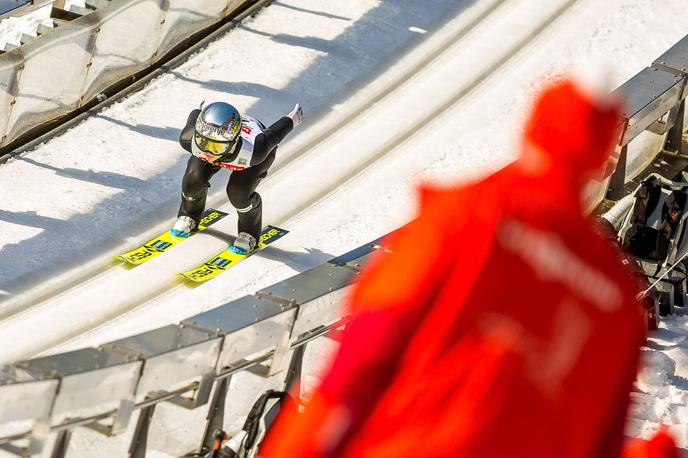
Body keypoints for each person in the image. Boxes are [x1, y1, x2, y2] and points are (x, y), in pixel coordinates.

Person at [261, 77, 657, 457]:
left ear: (531, 132)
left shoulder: (463, 216)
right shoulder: (617, 297)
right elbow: (601, 438)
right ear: (603, 164)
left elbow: (364, 355)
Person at [171, 101, 303, 253]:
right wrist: (197, 109)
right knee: (192, 181)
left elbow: (274, 134)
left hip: (250, 157)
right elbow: (194, 119)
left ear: (232, 143)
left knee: (238, 193)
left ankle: (250, 234)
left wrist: (292, 118)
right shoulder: (189, 139)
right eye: (203, 142)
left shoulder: (255, 150)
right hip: (228, 145)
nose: (208, 153)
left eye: (217, 147)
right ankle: (189, 215)